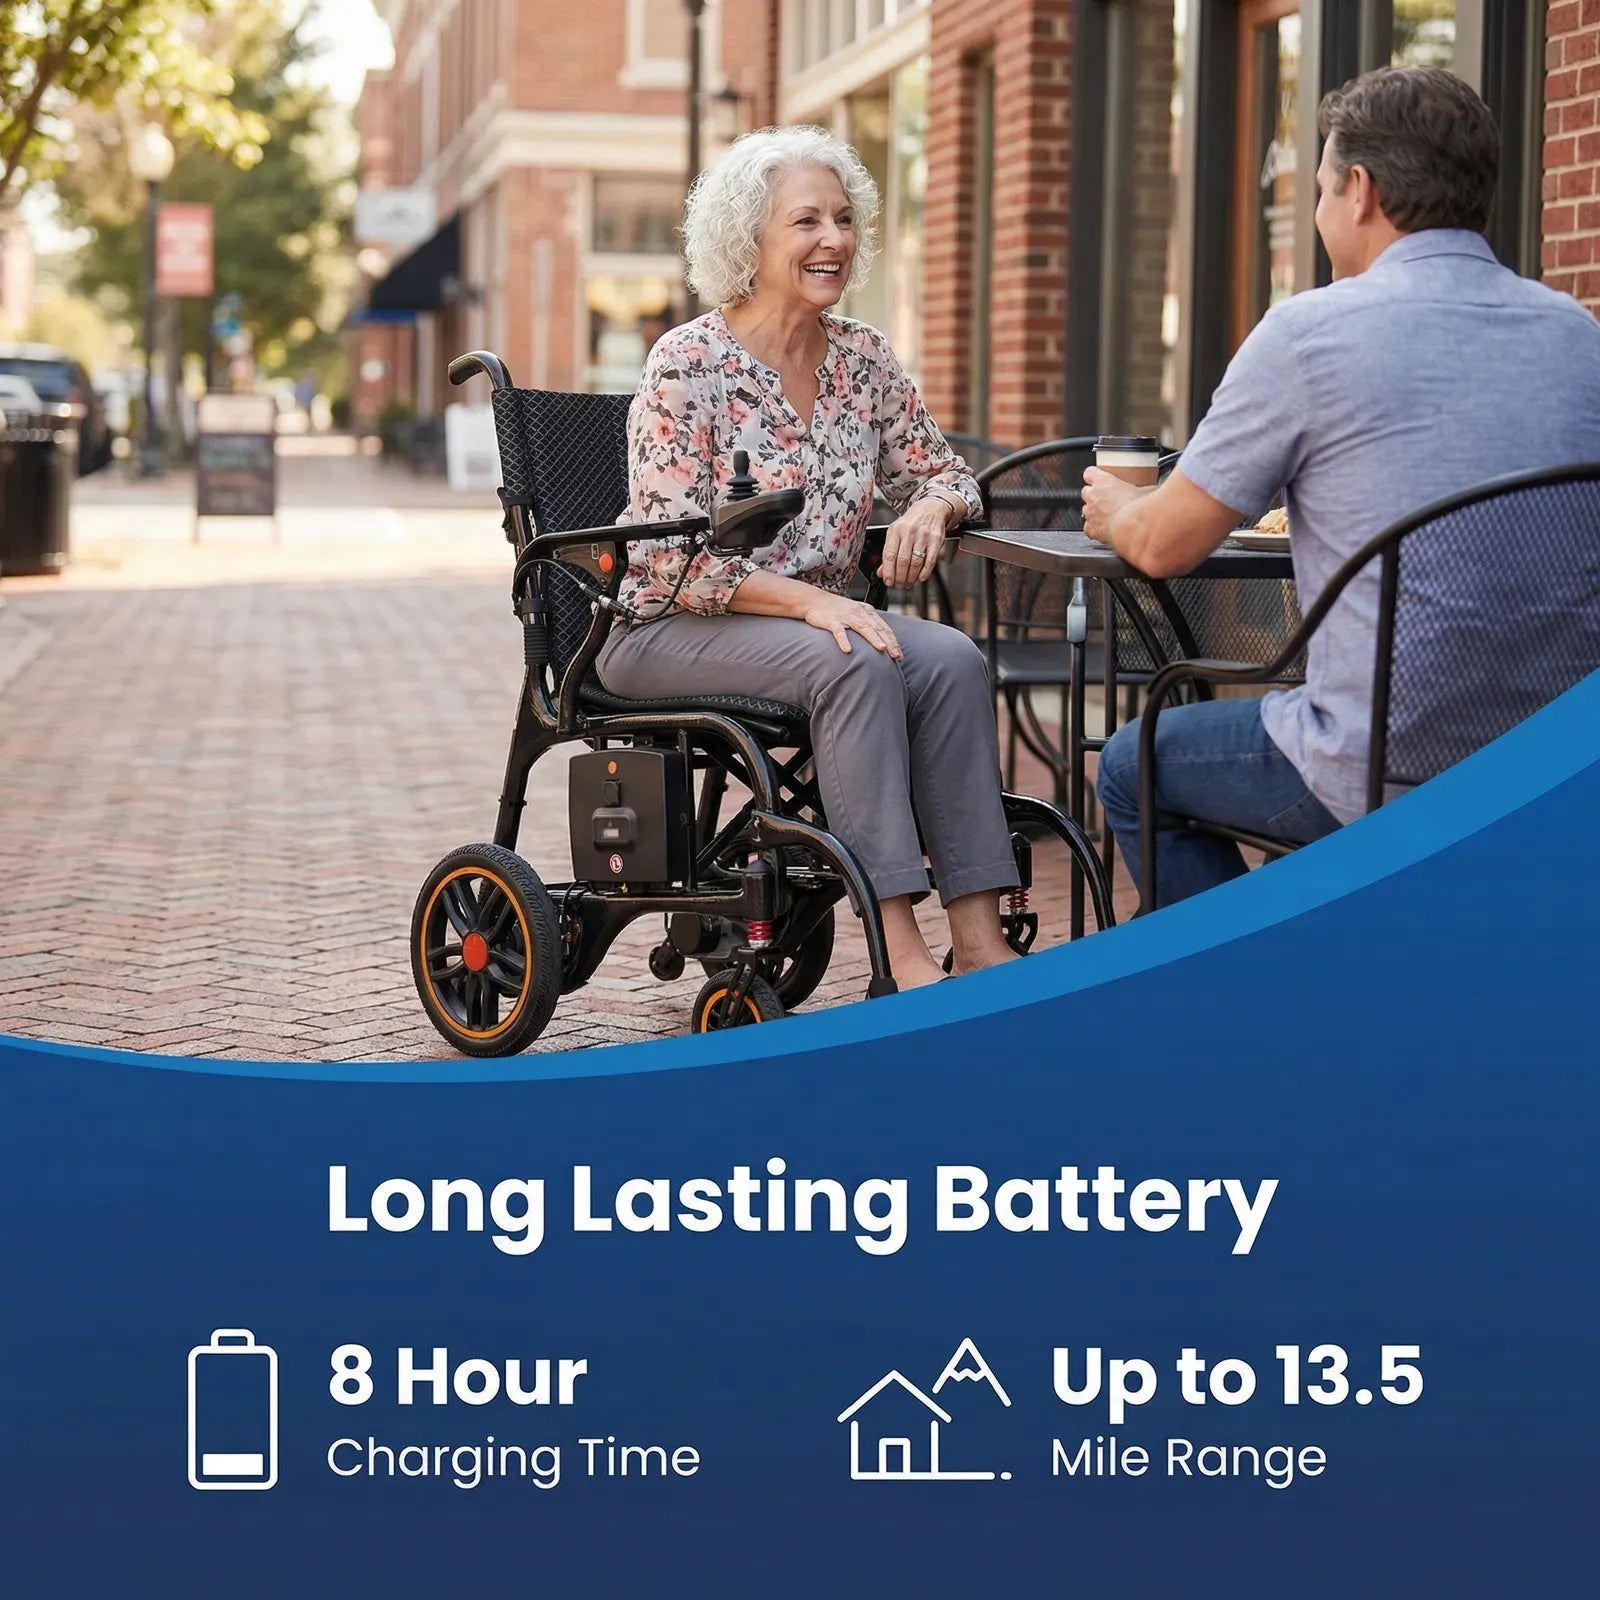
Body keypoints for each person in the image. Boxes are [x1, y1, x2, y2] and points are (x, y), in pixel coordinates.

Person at [1085, 66, 1600, 908]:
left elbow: (1162, 545)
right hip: (1556, 767)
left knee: (1129, 763)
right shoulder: (1579, 335)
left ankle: (1258, 978)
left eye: (1321, 188)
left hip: (1382, 767)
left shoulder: (1308, 334)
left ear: (1359, 191)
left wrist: (1117, 512)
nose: (1321, 208)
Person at [597, 126, 1019, 990]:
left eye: (843, 219)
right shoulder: (688, 363)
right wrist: (814, 603)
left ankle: (980, 943)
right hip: (670, 625)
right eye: (806, 222)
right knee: (856, 660)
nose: (833, 239)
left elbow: (945, 472)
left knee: (951, 660)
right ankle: (899, 953)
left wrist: (933, 506)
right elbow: (671, 560)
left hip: (822, 626)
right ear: (747, 240)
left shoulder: (863, 358)